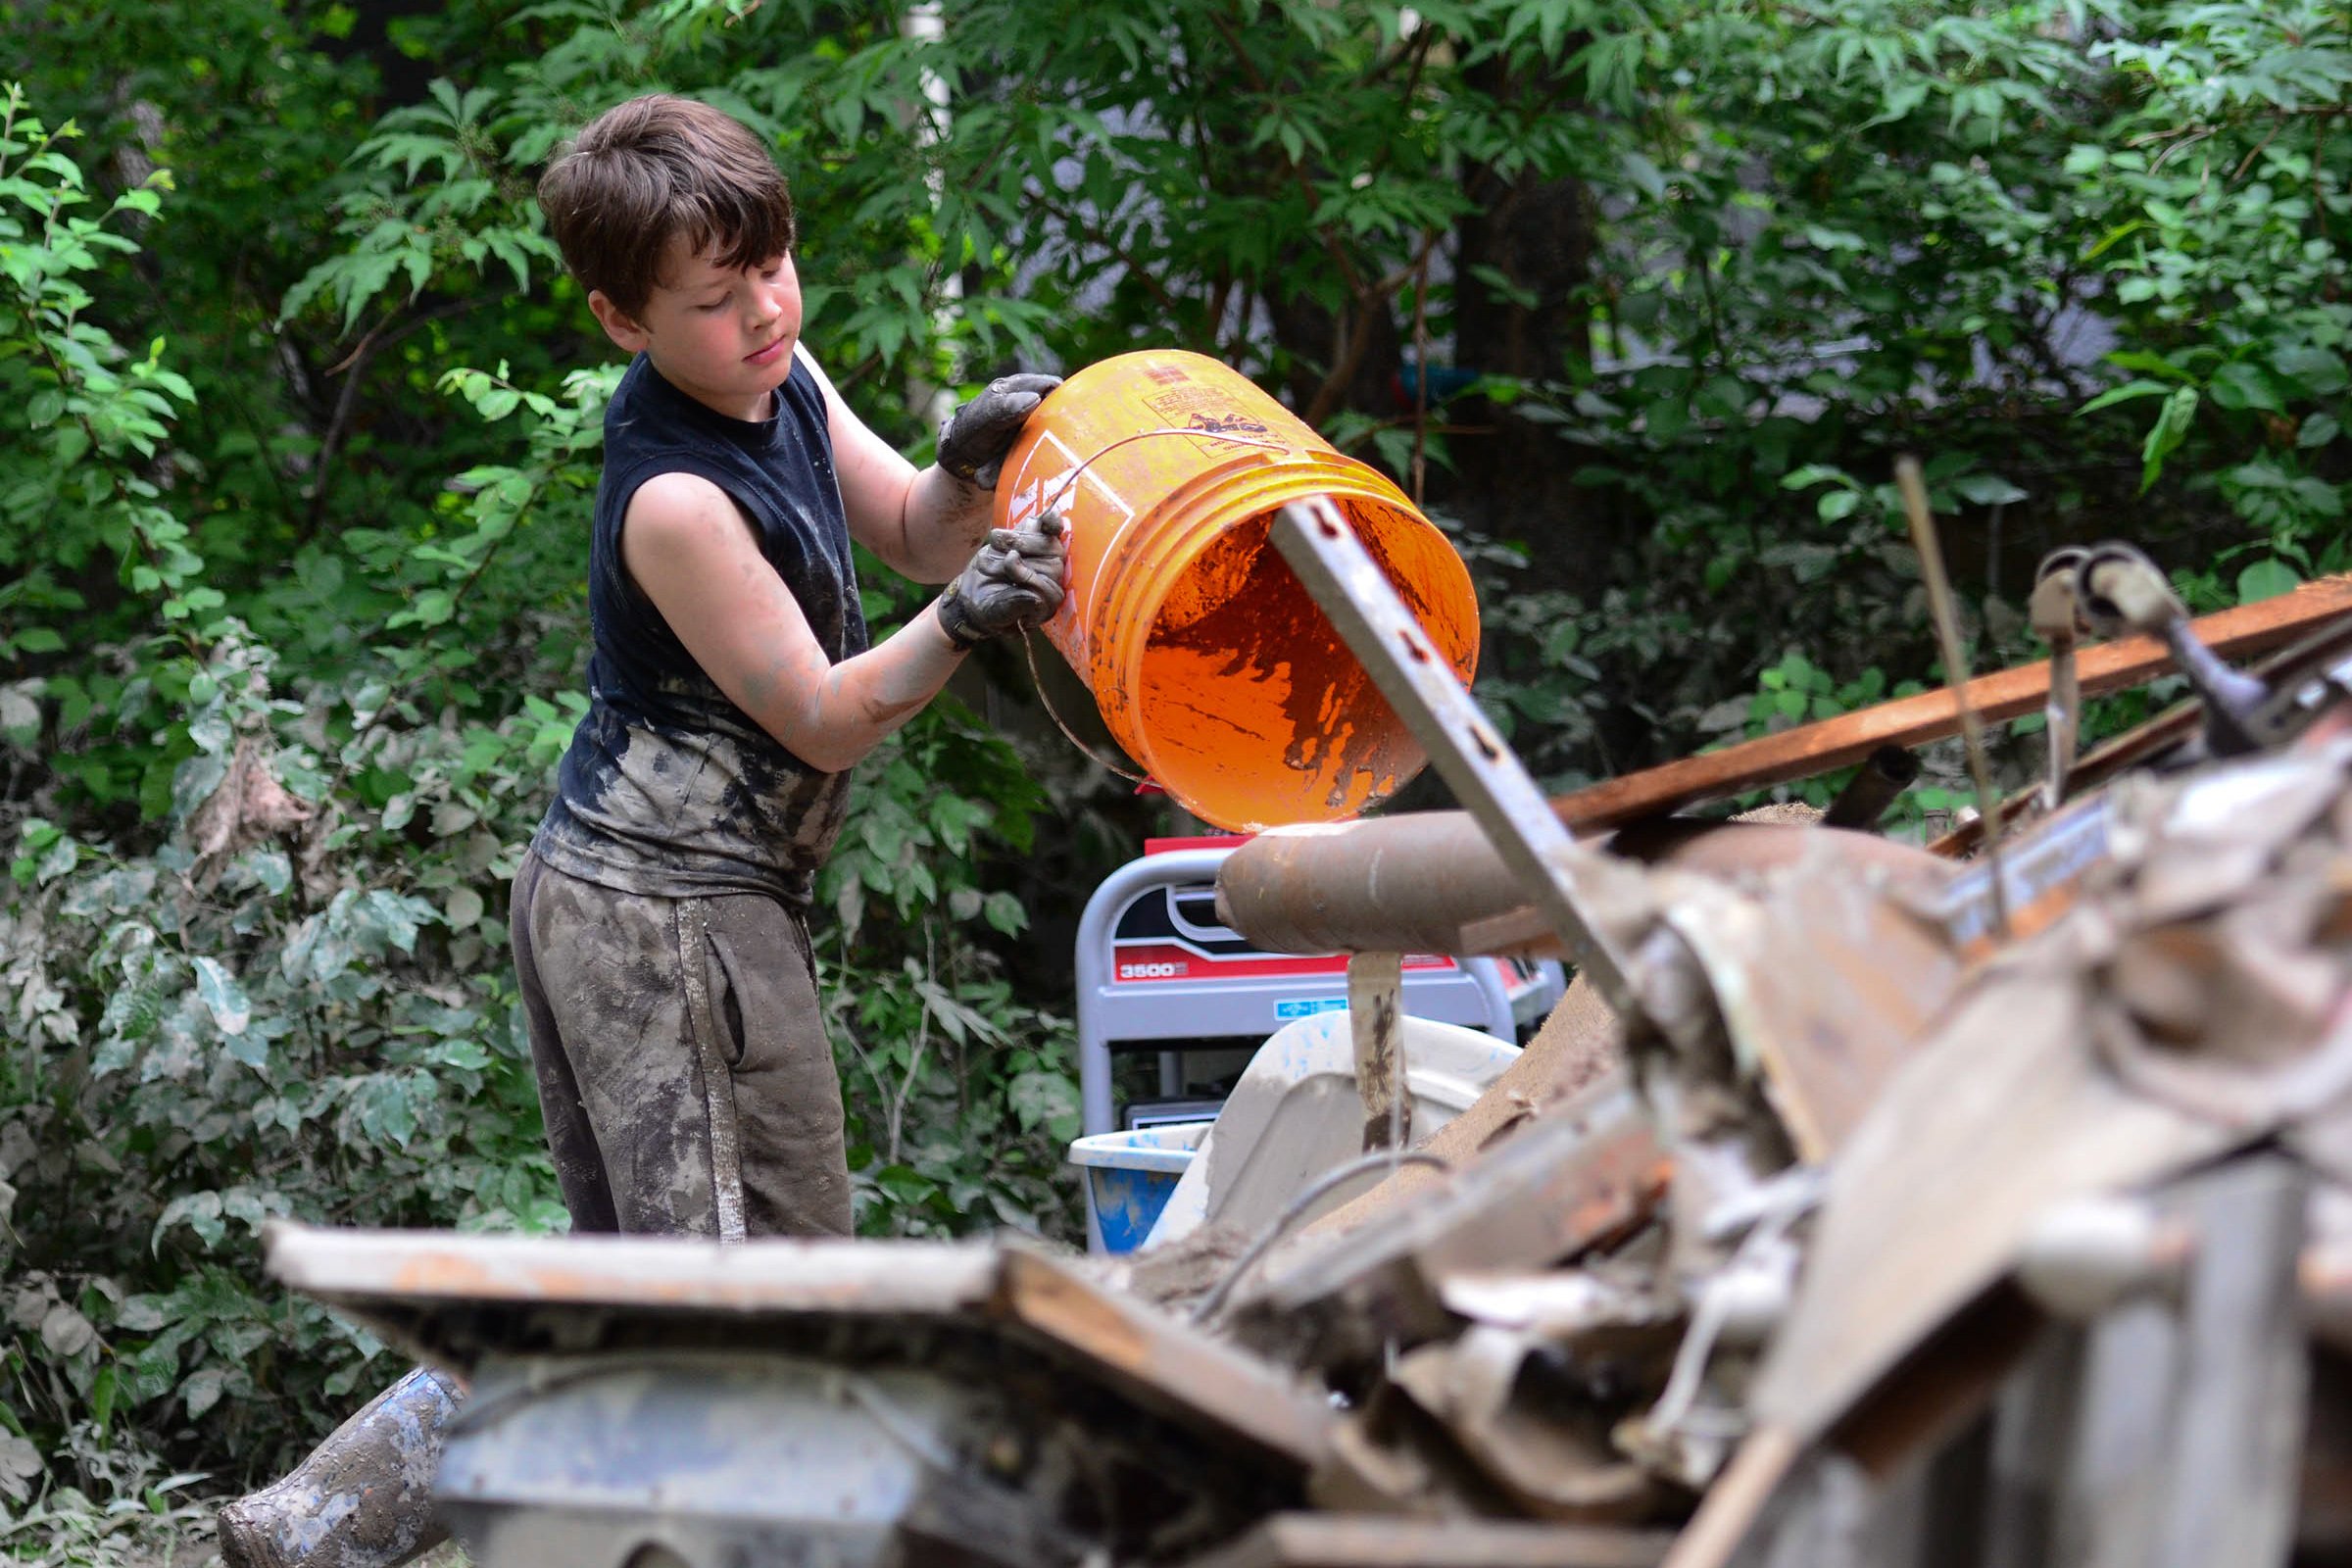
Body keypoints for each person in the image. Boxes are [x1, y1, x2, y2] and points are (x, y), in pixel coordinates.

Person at [216, 92, 1068, 1568]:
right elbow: (818, 709)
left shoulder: (783, 378)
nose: (764, 312)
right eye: (717, 299)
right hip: (647, 911)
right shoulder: (672, 495)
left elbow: (917, 531)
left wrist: (967, 473)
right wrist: (966, 621)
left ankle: (308, 1527)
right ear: (624, 320)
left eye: (776, 268)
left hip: (720, 900)